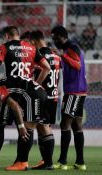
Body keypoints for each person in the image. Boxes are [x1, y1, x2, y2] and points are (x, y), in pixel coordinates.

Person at [0, 26, 50, 170]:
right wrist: (36, 84)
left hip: (10, 89)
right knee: (29, 126)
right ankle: (21, 161)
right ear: (18, 35)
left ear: (7, 35)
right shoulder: (31, 47)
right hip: (28, 91)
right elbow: (47, 68)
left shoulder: (4, 46)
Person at [0, 76, 54, 170]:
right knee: (44, 128)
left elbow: (15, 106)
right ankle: (48, 163)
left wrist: (21, 126)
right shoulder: (1, 84)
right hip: (41, 92)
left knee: (27, 128)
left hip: (32, 95)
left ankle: (22, 163)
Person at [51, 26, 87, 171]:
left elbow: (77, 65)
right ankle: (80, 162)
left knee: (64, 125)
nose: (54, 41)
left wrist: (62, 56)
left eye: (55, 38)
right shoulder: (71, 49)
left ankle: (62, 161)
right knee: (76, 127)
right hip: (80, 91)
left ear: (62, 36)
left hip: (73, 92)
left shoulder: (72, 48)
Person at [29, 30, 61, 169]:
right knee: (44, 128)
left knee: (43, 128)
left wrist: (34, 85)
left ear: (34, 42)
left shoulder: (39, 55)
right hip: (53, 95)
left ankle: (49, 163)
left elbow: (45, 70)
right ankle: (45, 161)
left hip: (44, 96)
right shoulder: (55, 55)